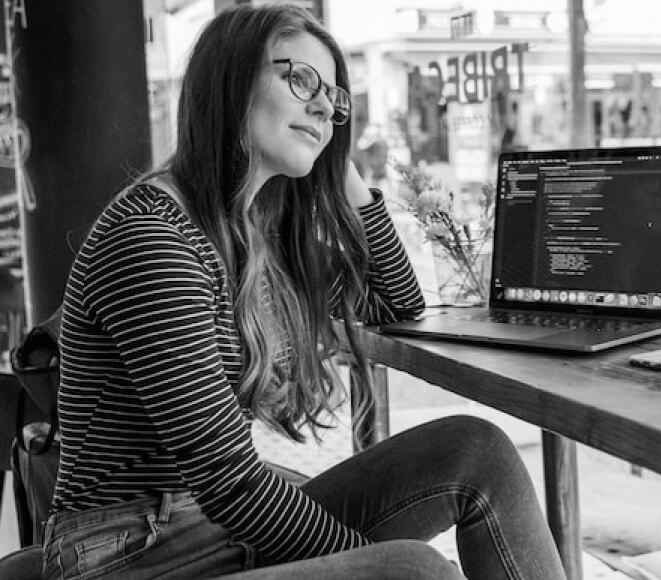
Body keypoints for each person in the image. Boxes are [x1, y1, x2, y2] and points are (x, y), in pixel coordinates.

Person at [43, 4, 566, 580]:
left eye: (335, 100)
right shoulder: (152, 237)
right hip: (128, 552)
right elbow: (232, 484)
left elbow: (398, 304)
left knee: (477, 451)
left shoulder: (248, 231)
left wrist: (344, 172)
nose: (324, 106)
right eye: (300, 80)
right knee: (413, 571)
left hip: (212, 525)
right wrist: (365, 557)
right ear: (232, 81)